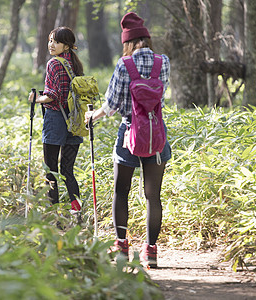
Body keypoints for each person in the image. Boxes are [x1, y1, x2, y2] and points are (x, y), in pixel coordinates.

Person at [84, 12, 171, 268]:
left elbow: (111, 105)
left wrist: (93, 115)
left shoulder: (125, 64)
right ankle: (151, 252)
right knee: (152, 195)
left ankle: (122, 247)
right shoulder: (162, 62)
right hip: (156, 135)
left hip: (129, 135)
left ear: (128, 42)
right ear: (146, 38)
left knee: (121, 191)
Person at [28, 27, 84, 219]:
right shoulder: (75, 65)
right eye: (50, 40)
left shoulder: (54, 63)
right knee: (68, 170)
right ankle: (77, 212)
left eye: (56, 42)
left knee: (50, 170)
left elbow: (52, 96)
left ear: (66, 45)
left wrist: (36, 98)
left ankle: (56, 216)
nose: (51, 45)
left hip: (55, 120)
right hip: (74, 120)